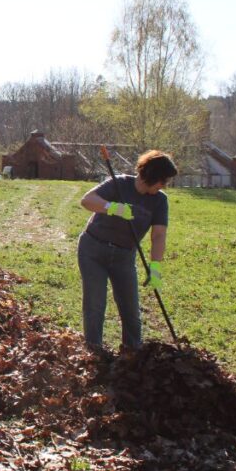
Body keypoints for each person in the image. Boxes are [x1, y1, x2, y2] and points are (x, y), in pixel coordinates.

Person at [77, 150, 179, 352]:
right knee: (95, 304)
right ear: (151, 175)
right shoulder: (120, 184)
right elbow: (87, 200)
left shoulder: (160, 200)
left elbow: (158, 235)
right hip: (93, 250)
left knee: (130, 310)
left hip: (124, 256)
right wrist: (113, 207)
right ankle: (94, 352)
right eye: (163, 181)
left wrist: (155, 267)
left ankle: (132, 353)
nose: (164, 186)